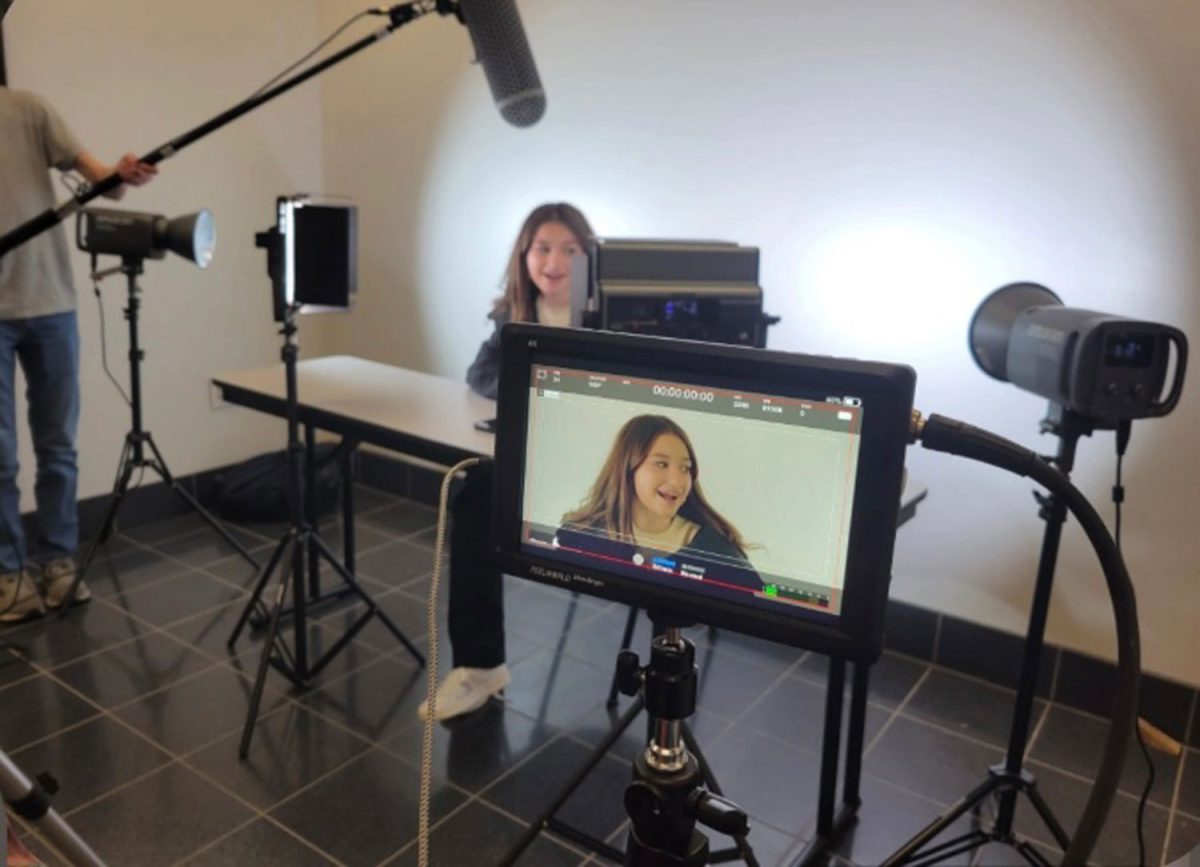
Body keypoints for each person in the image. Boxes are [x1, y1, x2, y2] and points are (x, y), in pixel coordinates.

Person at [418, 202, 593, 721]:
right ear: (525, 254)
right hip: (527, 456)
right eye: (542, 248)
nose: (554, 261)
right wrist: (527, 390)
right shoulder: (512, 314)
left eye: (569, 249)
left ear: (589, 259)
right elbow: (480, 372)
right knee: (472, 494)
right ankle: (480, 666)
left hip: (590, 462)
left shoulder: (611, 314)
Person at [0, 86, 157, 625]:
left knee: (57, 445)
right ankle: (7, 574)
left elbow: (101, 182)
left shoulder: (27, 109)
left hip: (50, 302)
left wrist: (121, 173)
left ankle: (56, 562)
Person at [556, 414, 760, 590]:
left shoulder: (718, 554)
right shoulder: (582, 535)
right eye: (661, 464)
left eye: (685, 468)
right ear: (628, 468)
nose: (677, 481)